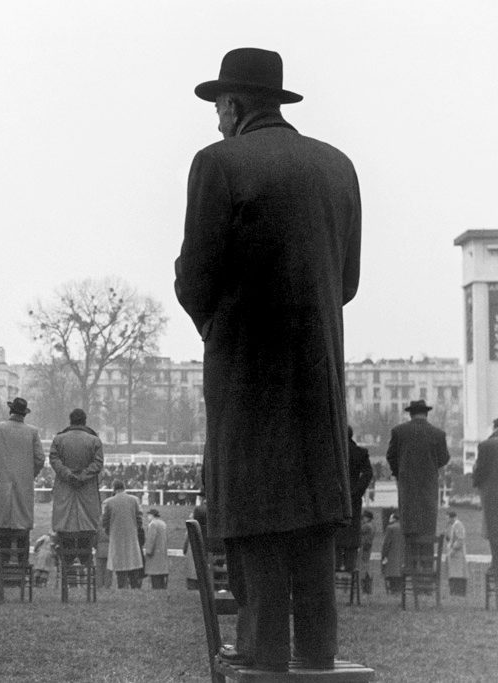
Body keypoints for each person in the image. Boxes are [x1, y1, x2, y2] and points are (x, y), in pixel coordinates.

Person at [175, 47, 361, 671]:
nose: (217, 119)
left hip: (249, 381)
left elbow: (195, 279)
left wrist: (221, 329)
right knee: (311, 527)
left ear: (232, 104)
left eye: (218, 107)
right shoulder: (338, 167)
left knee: (255, 523)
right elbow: (348, 281)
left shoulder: (218, 164)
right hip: (318, 379)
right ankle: (317, 654)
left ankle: (262, 654)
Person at [387, 399, 450, 578]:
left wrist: (400, 472)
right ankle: (426, 577)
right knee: (427, 534)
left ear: (410, 413)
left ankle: (410, 574)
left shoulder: (399, 432)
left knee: (410, 535)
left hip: (407, 491)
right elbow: (444, 459)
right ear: (426, 413)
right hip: (428, 491)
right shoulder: (438, 434)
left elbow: (390, 456)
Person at [0, 397, 45, 555]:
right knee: (23, 531)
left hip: (4, 487)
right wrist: (29, 474)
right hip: (24, 489)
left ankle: (4, 568)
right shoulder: (32, 432)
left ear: (10, 411)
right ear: (24, 414)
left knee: (3, 529)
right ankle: (22, 565)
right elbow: (40, 458)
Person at [49, 408, 103, 565]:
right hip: (87, 500)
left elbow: (54, 460)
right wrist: (83, 476)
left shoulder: (58, 440)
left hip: (64, 499)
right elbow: (98, 463)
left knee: (65, 541)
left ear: (70, 421)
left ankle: (68, 574)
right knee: (86, 541)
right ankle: (86, 569)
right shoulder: (94, 441)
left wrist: (68, 475)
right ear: (85, 421)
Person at [337, 427, 374, 572]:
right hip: (353, 499)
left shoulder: (335, 453)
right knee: (352, 533)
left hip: (336, 498)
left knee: (337, 534)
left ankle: (336, 569)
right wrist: (357, 492)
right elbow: (368, 473)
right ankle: (350, 567)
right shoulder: (360, 452)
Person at [102, 480, 143, 589]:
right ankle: (135, 587)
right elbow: (139, 519)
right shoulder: (134, 500)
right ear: (124, 487)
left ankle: (122, 587)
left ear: (113, 488)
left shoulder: (108, 502)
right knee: (132, 563)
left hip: (116, 538)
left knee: (120, 567)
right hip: (131, 537)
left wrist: (109, 532)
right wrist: (135, 529)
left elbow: (104, 521)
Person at [473, 419, 498, 576]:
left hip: (492, 495)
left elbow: (478, 473)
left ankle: (496, 564)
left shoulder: (486, 446)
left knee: (494, 529)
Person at [143, 508, 169, 589]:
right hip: (162, 553)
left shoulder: (153, 524)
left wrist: (148, 551)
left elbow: (151, 539)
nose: (148, 517)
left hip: (154, 555)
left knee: (155, 579)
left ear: (152, 515)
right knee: (161, 579)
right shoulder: (163, 523)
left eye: (149, 515)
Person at [444, 509, 467, 596]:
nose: (447, 520)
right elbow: (453, 539)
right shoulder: (454, 525)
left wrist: (453, 550)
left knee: (458, 574)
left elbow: (460, 540)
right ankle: (454, 592)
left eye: (447, 518)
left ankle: (458, 593)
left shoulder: (458, 525)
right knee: (453, 574)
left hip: (457, 554)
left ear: (451, 517)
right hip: (454, 555)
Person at [380, 513, 405, 594]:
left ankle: (393, 590)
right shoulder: (403, 527)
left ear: (394, 519)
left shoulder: (390, 528)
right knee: (399, 572)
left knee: (391, 572)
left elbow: (386, 543)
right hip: (402, 554)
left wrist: (384, 554)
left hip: (392, 554)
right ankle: (399, 590)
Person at [358, 511, 375, 594]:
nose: (363, 519)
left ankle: (366, 588)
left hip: (365, 548)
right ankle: (367, 588)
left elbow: (359, 530)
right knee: (366, 567)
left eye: (364, 517)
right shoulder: (371, 525)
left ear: (367, 518)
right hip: (367, 547)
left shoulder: (367, 526)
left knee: (364, 568)